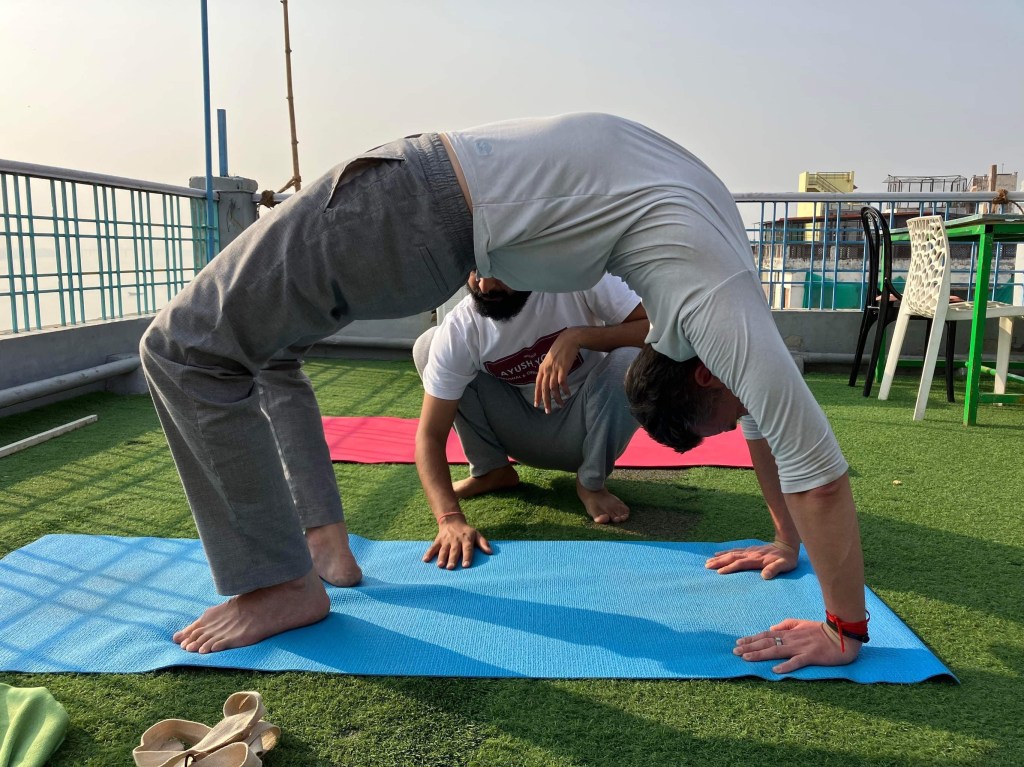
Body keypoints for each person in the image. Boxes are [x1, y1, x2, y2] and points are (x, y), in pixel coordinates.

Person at [140, 112, 867, 674]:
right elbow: (818, 473)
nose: (746, 412)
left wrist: (787, 543)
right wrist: (845, 627)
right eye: (732, 408)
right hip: (417, 204)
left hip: (431, 216)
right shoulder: (716, 297)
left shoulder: (704, 290)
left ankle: (287, 579)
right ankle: (316, 554)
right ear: (708, 372)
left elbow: (771, 430)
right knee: (207, 348)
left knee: (202, 347)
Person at [414, 271, 647, 570]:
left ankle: (591, 482)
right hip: (522, 429)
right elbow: (430, 435)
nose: (485, 287)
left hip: (588, 429)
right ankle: (491, 470)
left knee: (631, 359)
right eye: (476, 273)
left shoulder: (578, 273)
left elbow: (652, 331)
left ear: (527, 257)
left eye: (500, 273)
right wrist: (449, 520)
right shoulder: (463, 326)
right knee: (429, 345)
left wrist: (577, 336)